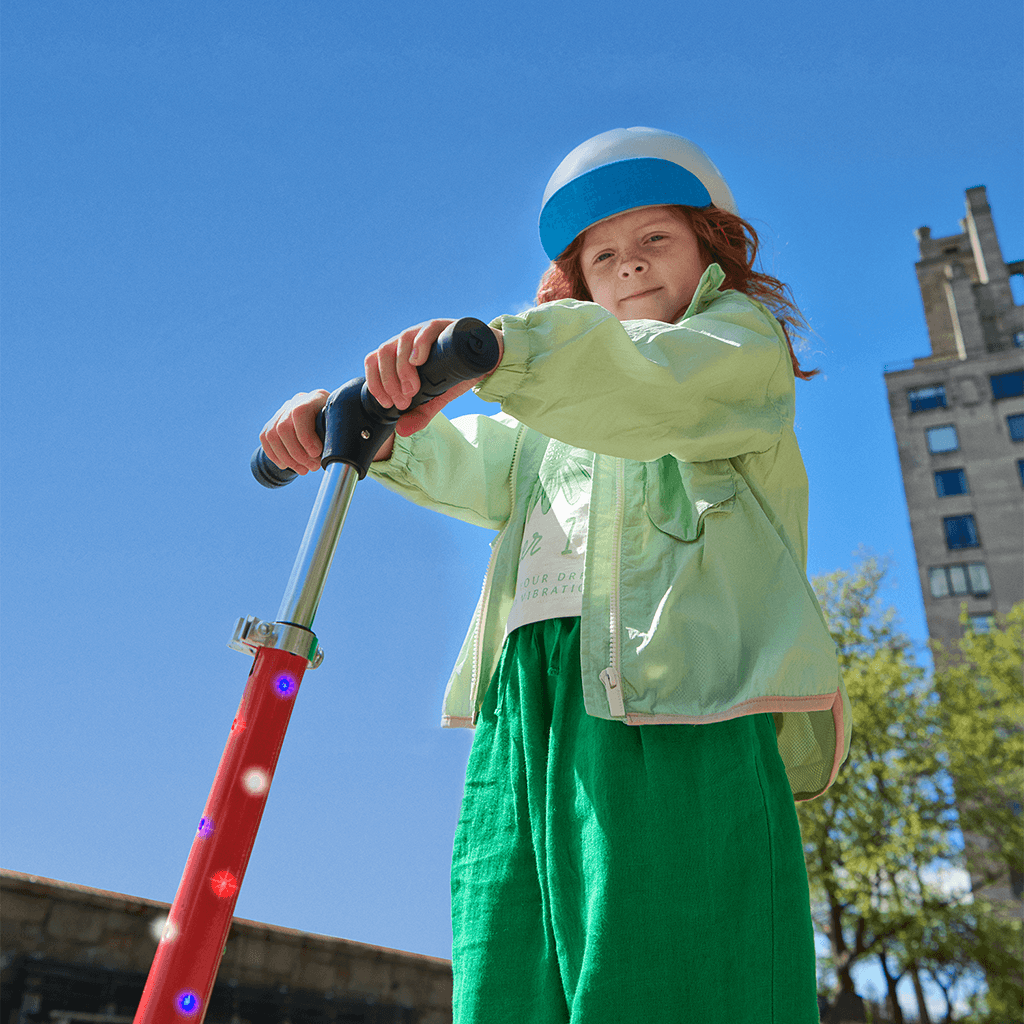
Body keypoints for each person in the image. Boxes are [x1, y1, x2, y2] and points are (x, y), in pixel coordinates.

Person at [260, 127, 852, 1024]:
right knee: (509, 956)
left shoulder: (734, 347)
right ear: (578, 280)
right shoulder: (549, 407)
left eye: (656, 240)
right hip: (528, 695)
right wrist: (356, 427)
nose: (628, 265)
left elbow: (650, 388)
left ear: (712, 251)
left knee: (670, 957)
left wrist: (495, 353)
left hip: (678, 694)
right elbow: (468, 457)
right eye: (602, 254)